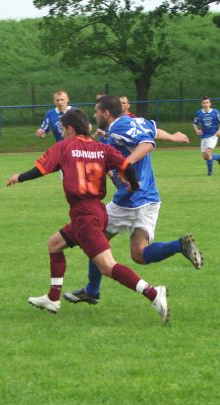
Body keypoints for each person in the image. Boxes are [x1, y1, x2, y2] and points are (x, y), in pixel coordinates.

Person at [7, 109, 169, 324]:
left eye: (63, 129)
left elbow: (41, 169)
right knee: (54, 244)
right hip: (97, 212)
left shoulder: (65, 147)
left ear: (70, 129)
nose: (62, 133)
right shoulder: (103, 148)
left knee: (107, 266)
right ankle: (53, 298)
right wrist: (134, 185)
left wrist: (19, 177)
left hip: (85, 216)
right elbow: (126, 166)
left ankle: (153, 293)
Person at [62, 95, 202, 306]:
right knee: (139, 253)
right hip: (150, 198)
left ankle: (92, 291)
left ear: (106, 113)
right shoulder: (136, 121)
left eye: (97, 111)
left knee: (95, 239)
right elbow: (153, 132)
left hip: (130, 200)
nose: (95, 115)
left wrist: (125, 165)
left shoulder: (119, 128)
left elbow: (147, 143)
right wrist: (173, 137)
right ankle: (179, 245)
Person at [193, 96, 220, 176]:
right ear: (202, 104)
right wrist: (196, 130)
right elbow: (194, 123)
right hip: (204, 137)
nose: (205, 104)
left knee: (208, 153)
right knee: (205, 157)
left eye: (207, 102)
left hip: (213, 136)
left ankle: (210, 173)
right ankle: (217, 157)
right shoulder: (199, 113)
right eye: (204, 103)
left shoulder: (215, 112)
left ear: (210, 103)